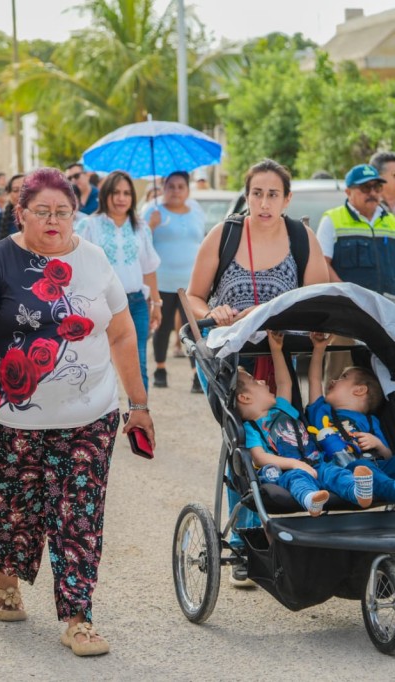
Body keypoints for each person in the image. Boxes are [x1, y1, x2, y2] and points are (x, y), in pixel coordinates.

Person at [0, 166, 154, 658]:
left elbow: (123, 332)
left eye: (62, 212)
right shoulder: (0, 261)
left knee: (78, 515)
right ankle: (7, 583)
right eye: (41, 211)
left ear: (74, 215)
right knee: (14, 510)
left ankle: (78, 617)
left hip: (92, 414)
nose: (53, 220)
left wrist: (139, 403)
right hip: (14, 419)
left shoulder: (93, 259)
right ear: (20, 213)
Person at [187, 158, 329, 586]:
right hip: (233, 363)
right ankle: (251, 540)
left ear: (287, 199)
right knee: (243, 444)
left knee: (286, 434)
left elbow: (320, 303)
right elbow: (194, 299)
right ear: (246, 196)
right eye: (256, 193)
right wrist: (214, 312)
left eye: (273, 194)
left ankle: (290, 527)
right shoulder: (225, 234)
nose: (264, 203)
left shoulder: (302, 239)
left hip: (281, 357)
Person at [239, 332, 374, 516]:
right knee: (297, 479)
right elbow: (259, 458)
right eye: (255, 382)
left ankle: (357, 491)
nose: (262, 380)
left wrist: (276, 349)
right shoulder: (251, 427)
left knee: (335, 473)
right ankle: (311, 499)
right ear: (245, 398)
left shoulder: (282, 409)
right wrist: (294, 464)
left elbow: (284, 382)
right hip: (288, 470)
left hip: (317, 462)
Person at [78, 170, 161, 391]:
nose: (121, 198)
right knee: (100, 366)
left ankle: (139, 420)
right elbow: (78, 266)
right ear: (105, 194)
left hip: (136, 304)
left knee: (139, 364)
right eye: (116, 192)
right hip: (101, 306)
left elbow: (149, 268)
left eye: (127, 193)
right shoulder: (89, 226)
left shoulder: (140, 227)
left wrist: (156, 303)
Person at [307, 332, 395, 501]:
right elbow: (314, 380)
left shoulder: (371, 421)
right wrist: (319, 349)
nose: (333, 380)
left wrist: (377, 443)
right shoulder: (322, 411)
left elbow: (387, 454)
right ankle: (391, 489)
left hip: (376, 464)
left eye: (343, 377)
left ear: (360, 390)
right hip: (343, 468)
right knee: (362, 467)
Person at [143, 170, 204, 392]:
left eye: (180, 187)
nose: (176, 191)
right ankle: (160, 368)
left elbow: (201, 241)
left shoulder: (196, 210)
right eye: (171, 187)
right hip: (163, 280)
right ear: (164, 188)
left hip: (191, 282)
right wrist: (151, 226)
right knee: (164, 325)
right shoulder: (152, 210)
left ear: (187, 190)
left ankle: (197, 373)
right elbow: (140, 243)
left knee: (194, 327)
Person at [317, 164, 395, 297]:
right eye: (365, 188)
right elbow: (322, 264)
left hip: (388, 308)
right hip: (351, 309)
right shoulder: (332, 220)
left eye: (376, 187)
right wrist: (345, 294)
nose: (372, 193)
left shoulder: (391, 221)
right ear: (348, 192)